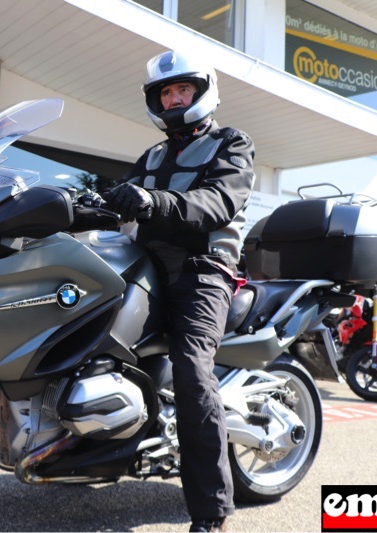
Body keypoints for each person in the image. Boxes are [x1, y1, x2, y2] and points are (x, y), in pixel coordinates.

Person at [104, 50, 255, 533]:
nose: (173, 98)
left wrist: (153, 201)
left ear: (202, 91)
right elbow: (119, 201)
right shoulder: (150, 156)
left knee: (191, 368)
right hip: (146, 268)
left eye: (181, 90)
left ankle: (211, 512)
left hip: (203, 271)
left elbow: (219, 202)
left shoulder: (230, 143)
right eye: (165, 92)